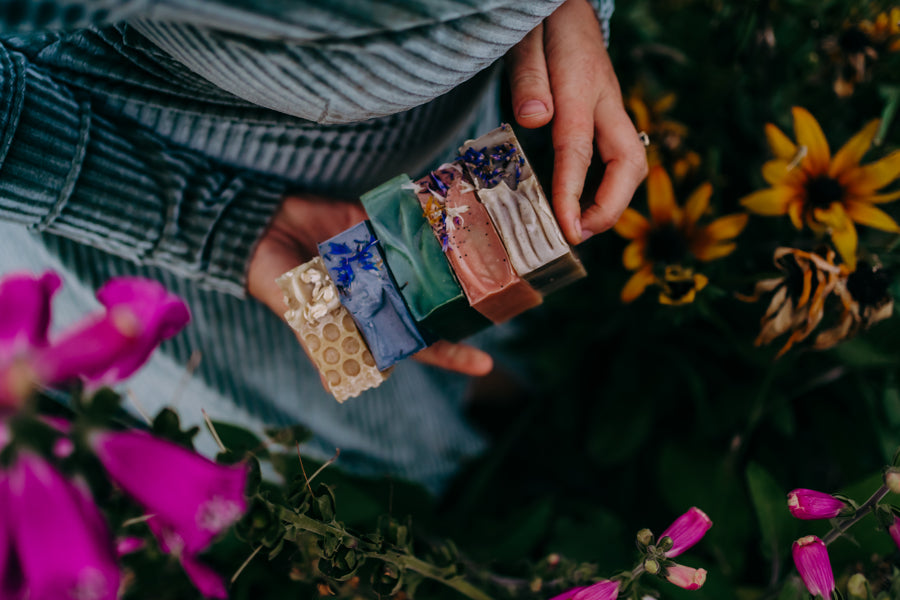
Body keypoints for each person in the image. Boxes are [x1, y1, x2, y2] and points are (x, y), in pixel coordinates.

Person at [0, 0, 647, 493]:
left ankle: (535, 402)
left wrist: (571, 9)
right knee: (389, 426)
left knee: (497, 329)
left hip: (447, 131)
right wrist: (220, 227)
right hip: (158, 187)